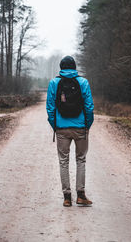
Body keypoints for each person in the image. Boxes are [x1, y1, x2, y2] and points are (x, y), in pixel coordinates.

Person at [46, 56, 94, 207]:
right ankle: (81, 195)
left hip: (62, 129)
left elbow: (50, 108)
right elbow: (89, 107)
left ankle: (67, 197)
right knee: (81, 160)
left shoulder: (54, 83)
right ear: (74, 67)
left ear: (61, 67)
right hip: (80, 128)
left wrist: (55, 126)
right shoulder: (83, 82)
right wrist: (87, 125)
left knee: (63, 161)